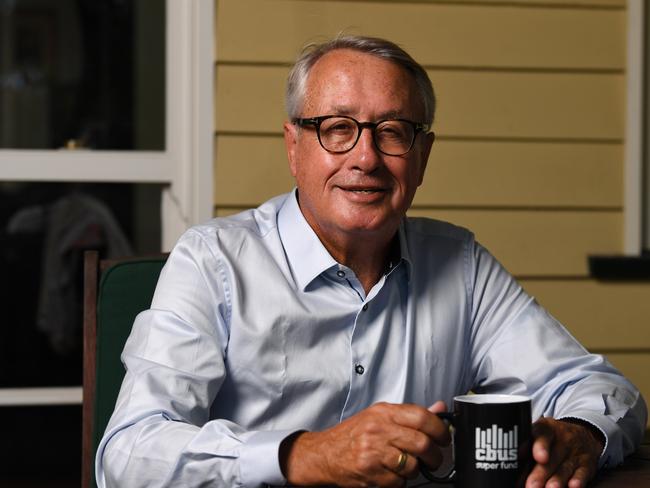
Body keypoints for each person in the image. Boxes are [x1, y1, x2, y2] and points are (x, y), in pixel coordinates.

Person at [96, 36, 647, 488]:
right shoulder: (213, 259)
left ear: (423, 156)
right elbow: (128, 453)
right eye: (338, 129)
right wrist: (303, 456)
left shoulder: (461, 263)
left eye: (392, 132)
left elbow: (601, 389)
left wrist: (580, 435)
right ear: (294, 146)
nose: (366, 158)